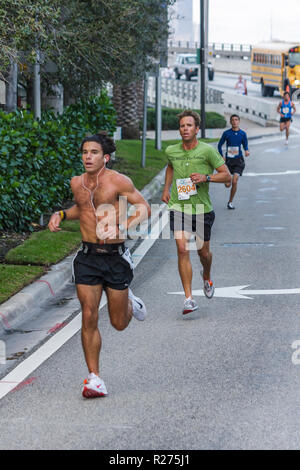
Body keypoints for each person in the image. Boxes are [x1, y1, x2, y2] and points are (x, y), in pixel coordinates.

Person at [48, 132, 151, 398]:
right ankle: (94, 378)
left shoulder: (119, 181)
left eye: (93, 152)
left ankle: (130, 302)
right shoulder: (77, 183)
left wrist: (123, 225)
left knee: (118, 323)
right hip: (88, 258)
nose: (88, 157)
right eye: (84, 152)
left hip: (115, 257)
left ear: (105, 157)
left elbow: (143, 207)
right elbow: (81, 209)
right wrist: (60, 214)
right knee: (89, 313)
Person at [161, 110, 231, 315]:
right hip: (178, 207)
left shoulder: (207, 151)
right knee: (182, 249)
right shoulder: (171, 150)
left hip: (201, 209)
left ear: (197, 129)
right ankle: (189, 299)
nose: (185, 129)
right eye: (182, 126)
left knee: (203, 253)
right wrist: (166, 189)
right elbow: (170, 167)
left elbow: (226, 176)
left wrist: (206, 178)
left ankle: (207, 276)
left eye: (189, 125)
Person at [218, 114, 250, 210]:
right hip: (228, 161)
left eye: (236, 120)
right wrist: (222, 156)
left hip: (238, 161)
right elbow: (219, 145)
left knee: (235, 181)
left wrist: (246, 150)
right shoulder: (226, 133)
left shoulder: (243, 134)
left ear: (239, 121)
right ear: (230, 122)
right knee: (228, 185)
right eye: (232, 120)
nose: (234, 121)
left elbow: (245, 144)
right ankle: (227, 180)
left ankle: (230, 202)